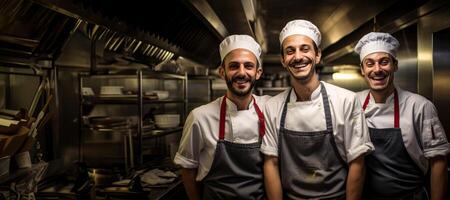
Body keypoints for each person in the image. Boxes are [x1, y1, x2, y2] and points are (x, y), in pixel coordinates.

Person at [261, 19, 374, 199]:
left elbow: (357, 163)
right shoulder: (273, 106)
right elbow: (271, 163)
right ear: (283, 60)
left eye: (305, 49)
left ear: (318, 55)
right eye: (290, 51)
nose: (298, 57)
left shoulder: (346, 100)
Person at [173, 34, 270, 200]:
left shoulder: (270, 109)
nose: (241, 73)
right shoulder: (200, 117)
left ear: (258, 72)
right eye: (234, 66)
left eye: (248, 66)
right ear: (222, 72)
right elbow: (188, 170)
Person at [355, 32, 449, 200]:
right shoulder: (353, 103)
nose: (377, 69)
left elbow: (438, 162)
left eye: (384, 62)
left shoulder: (420, 106)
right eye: (370, 64)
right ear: (362, 69)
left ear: (395, 65)